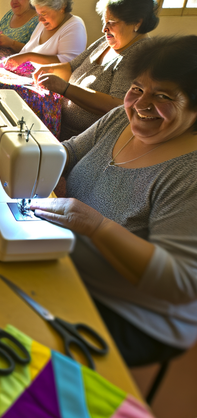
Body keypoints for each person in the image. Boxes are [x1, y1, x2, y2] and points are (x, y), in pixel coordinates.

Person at [30, 36, 197, 368]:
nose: (141, 104)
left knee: (22, 343)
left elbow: (180, 283)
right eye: (137, 88)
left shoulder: (189, 173)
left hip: (133, 312)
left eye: (163, 96)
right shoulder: (122, 119)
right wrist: (33, 156)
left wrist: (95, 226)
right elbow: (72, 151)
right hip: (68, 266)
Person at [36, 0, 159, 140]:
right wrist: (48, 70)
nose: (104, 29)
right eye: (104, 21)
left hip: (83, 139)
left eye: (111, 22)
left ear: (137, 22)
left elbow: (118, 106)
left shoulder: (139, 53)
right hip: (60, 124)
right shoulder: (106, 41)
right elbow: (72, 67)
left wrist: (65, 88)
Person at [3, 0, 87, 71]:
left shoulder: (75, 25)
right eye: (38, 14)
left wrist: (29, 57)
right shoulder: (43, 24)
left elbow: (70, 64)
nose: (40, 19)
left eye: (43, 13)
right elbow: (25, 51)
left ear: (62, 8)